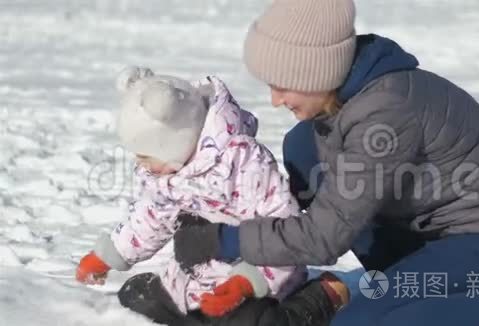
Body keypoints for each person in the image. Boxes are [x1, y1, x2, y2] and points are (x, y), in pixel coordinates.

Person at [172, 0, 479, 325]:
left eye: (282, 85)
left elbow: (324, 238)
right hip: (439, 230)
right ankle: (404, 289)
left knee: (368, 321)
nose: (274, 100)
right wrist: (253, 264)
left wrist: (224, 239)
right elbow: (319, 217)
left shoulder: (384, 114)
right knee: (303, 148)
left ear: (317, 73)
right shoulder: (336, 111)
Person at [75, 66, 331, 323]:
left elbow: (284, 230)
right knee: (134, 299)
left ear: (173, 144)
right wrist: (110, 255)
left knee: (251, 322)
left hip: (257, 280)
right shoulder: (171, 174)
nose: (139, 164)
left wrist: (246, 282)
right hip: (195, 281)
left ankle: (322, 296)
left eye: (144, 155)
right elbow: (153, 216)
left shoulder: (244, 165)